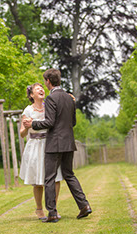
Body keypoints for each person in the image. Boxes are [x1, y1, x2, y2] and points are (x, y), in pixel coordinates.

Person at [23, 68, 92, 223]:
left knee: (49, 178)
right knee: (69, 174)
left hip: (54, 143)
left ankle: (52, 213)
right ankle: (84, 206)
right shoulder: (70, 98)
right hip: (69, 142)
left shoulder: (52, 99)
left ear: (48, 81)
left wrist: (32, 123)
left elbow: (50, 122)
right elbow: (73, 122)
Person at [19, 83, 62, 220]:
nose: (42, 90)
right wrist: (26, 127)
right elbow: (22, 134)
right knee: (38, 181)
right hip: (35, 146)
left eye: (42, 88)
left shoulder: (49, 106)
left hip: (50, 144)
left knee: (55, 178)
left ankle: (53, 209)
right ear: (32, 95)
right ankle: (39, 209)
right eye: (37, 89)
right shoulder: (27, 110)